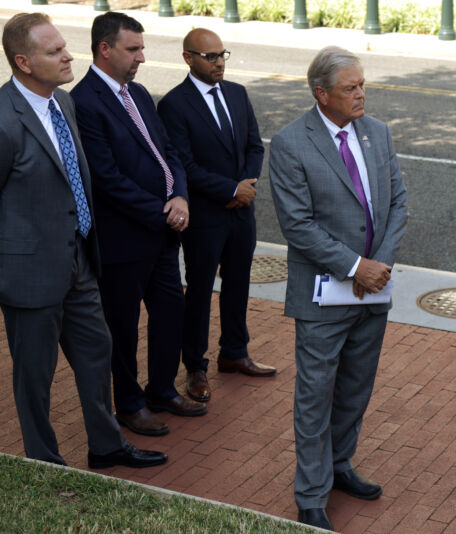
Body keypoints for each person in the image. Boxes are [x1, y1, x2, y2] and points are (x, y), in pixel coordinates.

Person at [0, 12, 166, 469]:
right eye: (53, 52)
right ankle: (43, 463)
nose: (68, 55)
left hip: (81, 261)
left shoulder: (64, 104)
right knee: (34, 378)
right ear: (24, 62)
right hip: (29, 275)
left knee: (97, 356)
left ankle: (106, 446)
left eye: (63, 46)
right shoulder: (3, 119)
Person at [269, 46, 408, 530]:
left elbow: (398, 205)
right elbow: (298, 226)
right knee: (316, 394)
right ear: (320, 93)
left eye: (363, 85)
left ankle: (339, 464)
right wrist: (356, 267)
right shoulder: (290, 145)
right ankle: (310, 495)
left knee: (355, 388)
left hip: (375, 290)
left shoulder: (378, 133)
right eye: (350, 88)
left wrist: (380, 265)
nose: (361, 94)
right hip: (324, 296)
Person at [71, 12, 207, 437]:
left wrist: (180, 194)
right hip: (124, 240)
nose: (142, 58)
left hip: (163, 234)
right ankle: (129, 403)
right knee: (123, 327)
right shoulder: (85, 101)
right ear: (105, 49)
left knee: (170, 313)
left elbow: (167, 152)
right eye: (133, 49)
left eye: (142, 48)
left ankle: (162, 389)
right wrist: (160, 210)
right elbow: (106, 178)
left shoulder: (140, 94)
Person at [158, 29, 275, 404]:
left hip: (242, 211)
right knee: (200, 290)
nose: (219, 62)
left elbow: (255, 145)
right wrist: (228, 190)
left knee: (239, 282)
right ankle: (195, 366)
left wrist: (246, 184)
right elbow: (184, 165)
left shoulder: (238, 94)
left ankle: (234, 352)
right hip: (206, 216)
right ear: (188, 58)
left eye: (222, 54)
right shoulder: (174, 105)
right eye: (209, 56)